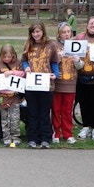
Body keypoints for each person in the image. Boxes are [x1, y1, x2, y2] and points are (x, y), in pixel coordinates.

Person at [21, 20, 59, 149]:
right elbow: (24, 60)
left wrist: (56, 74)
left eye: (38, 31)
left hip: (46, 84)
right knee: (33, 112)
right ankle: (33, 137)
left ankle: (45, 138)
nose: (35, 34)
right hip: (31, 84)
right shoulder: (28, 45)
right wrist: (26, 67)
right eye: (33, 32)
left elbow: (54, 62)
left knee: (44, 112)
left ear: (43, 31)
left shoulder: (51, 45)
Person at [51, 22, 83, 145]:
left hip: (70, 84)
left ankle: (67, 133)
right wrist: (58, 57)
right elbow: (49, 63)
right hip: (57, 84)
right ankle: (56, 133)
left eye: (68, 32)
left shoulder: (76, 45)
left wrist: (77, 60)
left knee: (67, 110)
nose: (66, 34)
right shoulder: (54, 45)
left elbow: (81, 66)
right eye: (64, 32)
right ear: (59, 34)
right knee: (56, 109)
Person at [0, 44, 25, 147]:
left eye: (9, 57)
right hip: (2, 96)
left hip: (14, 96)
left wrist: (12, 72)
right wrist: (2, 76)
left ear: (13, 55)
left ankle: (15, 137)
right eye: (4, 57)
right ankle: (6, 137)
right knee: (4, 119)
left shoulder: (18, 63)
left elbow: (24, 74)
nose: (7, 59)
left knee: (14, 118)